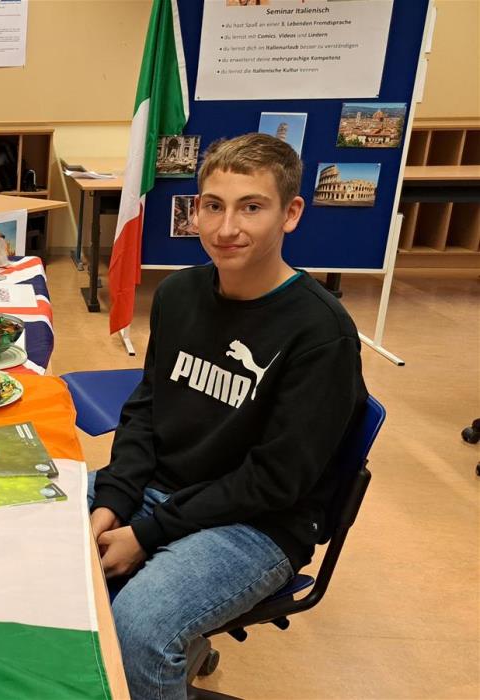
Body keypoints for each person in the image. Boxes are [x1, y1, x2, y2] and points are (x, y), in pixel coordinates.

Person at [87, 133, 367, 699]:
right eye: (213, 206)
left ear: (291, 214)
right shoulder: (179, 294)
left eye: (251, 207)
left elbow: (275, 480)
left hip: (259, 523)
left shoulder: (321, 333)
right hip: (163, 489)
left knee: (138, 629)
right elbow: (145, 410)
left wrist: (147, 532)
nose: (226, 228)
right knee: (26, 524)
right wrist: (114, 499)